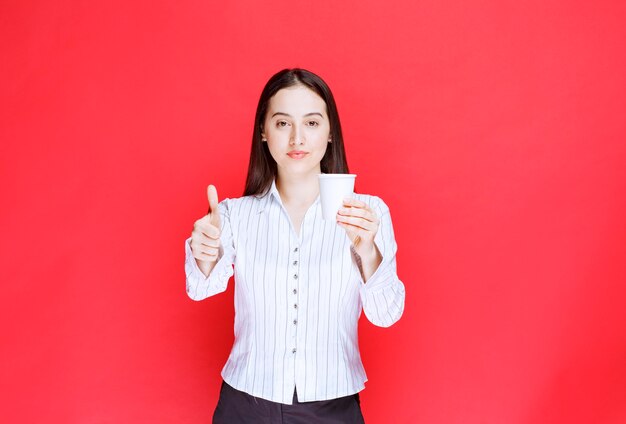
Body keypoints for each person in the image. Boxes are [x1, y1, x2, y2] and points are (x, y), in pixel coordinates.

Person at [185, 68, 405, 423]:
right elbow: (200, 289)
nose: (297, 138)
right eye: (283, 123)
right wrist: (204, 254)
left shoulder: (368, 213)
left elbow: (386, 314)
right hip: (245, 404)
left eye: (313, 123)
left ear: (331, 131)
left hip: (333, 407)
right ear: (263, 131)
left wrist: (367, 251)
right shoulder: (233, 215)